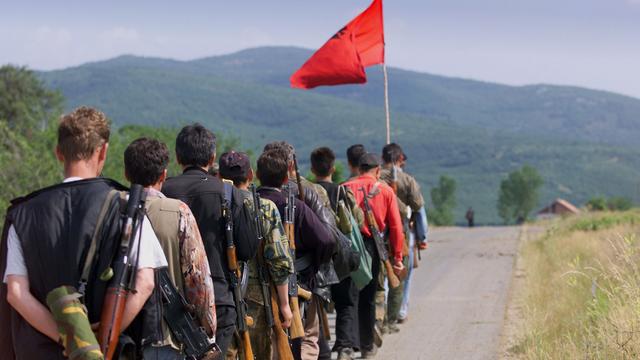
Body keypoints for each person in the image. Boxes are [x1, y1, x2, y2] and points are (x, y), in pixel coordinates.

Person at [0, 107, 167, 359]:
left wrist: (69, 339)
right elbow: (145, 283)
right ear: (103, 152)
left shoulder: (23, 213)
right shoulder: (127, 207)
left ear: (58, 153)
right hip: (106, 352)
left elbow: (16, 293)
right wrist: (95, 343)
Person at [161, 124, 259, 355]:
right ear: (212, 156)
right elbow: (247, 249)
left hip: (169, 297)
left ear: (177, 157)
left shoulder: (164, 190)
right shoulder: (227, 192)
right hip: (219, 298)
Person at [123, 137, 217, 359]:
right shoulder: (178, 212)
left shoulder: (113, 208)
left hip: (122, 332)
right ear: (164, 174)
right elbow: (198, 279)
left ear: (126, 174)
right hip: (167, 335)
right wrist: (207, 328)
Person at [263, 142, 343, 360]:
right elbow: (328, 239)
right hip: (302, 280)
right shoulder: (308, 193)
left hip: (261, 283)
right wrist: (313, 264)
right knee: (307, 338)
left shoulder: (251, 199)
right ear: (289, 167)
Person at [217, 151, 294, 360]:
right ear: (251, 175)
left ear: (218, 176)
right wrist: (285, 305)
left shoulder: (214, 205)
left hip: (221, 295)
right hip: (257, 297)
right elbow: (279, 259)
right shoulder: (265, 207)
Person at [343, 153, 405, 359]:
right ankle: (366, 346)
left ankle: (347, 345)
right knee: (368, 298)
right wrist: (397, 257)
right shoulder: (386, 191)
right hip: (372, 247)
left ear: (358, 168)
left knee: (349, 297)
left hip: (348, 246)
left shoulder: (345, 188)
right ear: (378, 171)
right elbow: (396, 227)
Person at [379, 143, 425, 329]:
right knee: (401, 272)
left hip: (380, 232)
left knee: (383, 274)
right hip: (402, 232)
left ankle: (382, 314)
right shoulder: (409, 180)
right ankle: (395, 314)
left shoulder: (376, 178)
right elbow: (418, 206)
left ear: (383, 159)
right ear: (399, 159)